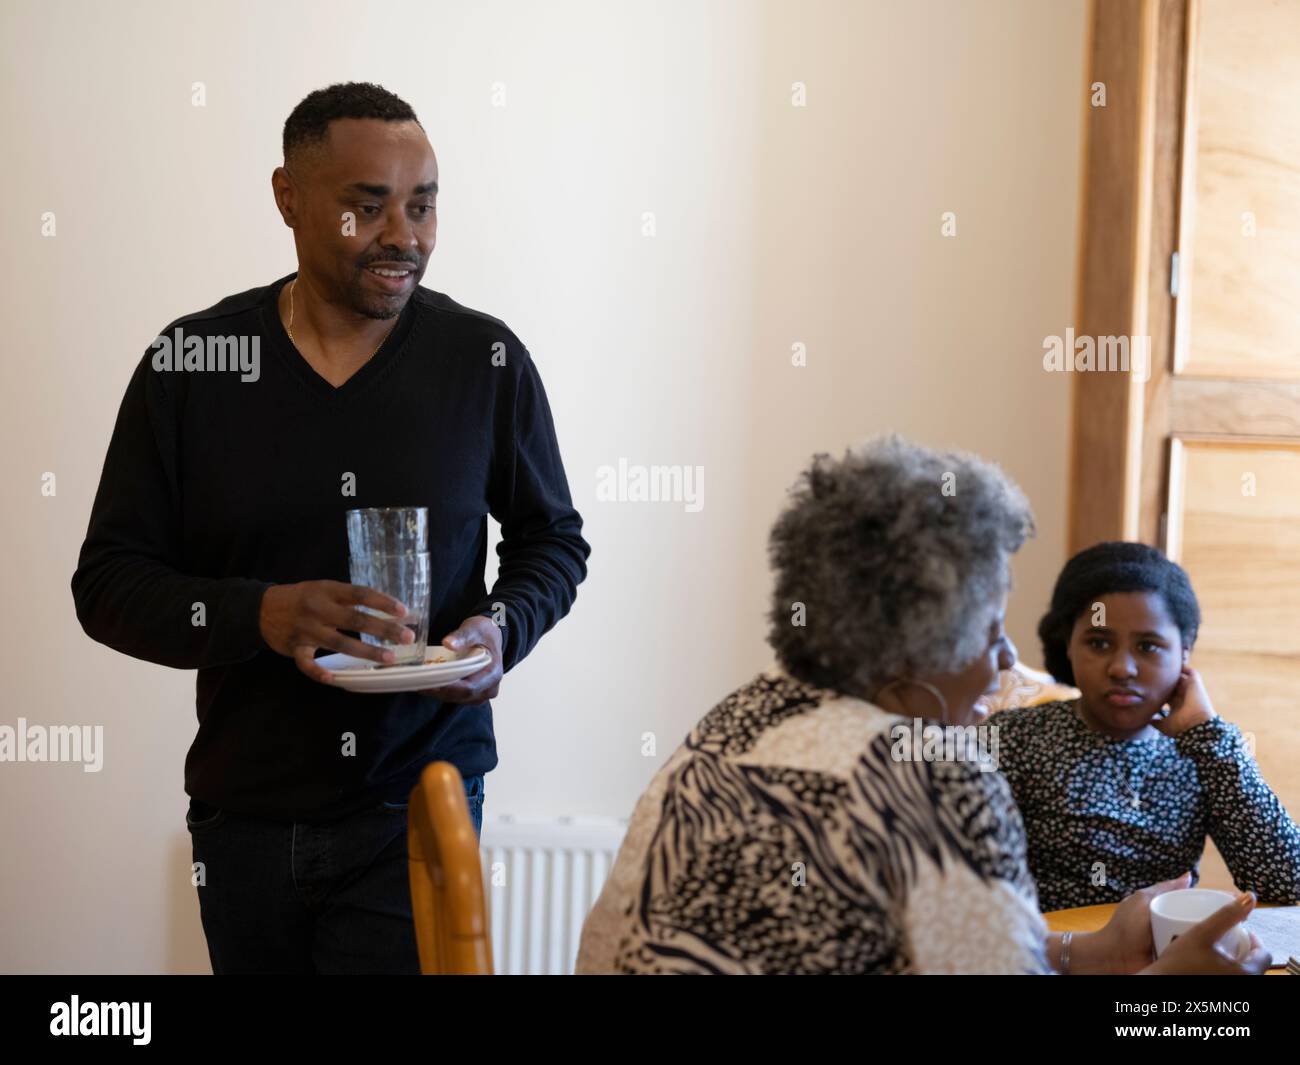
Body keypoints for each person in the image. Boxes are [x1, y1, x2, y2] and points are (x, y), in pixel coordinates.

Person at [70, 82, 590, 974]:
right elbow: (108, 585)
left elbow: (554, 542)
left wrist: (502, 630)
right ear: (288, 198)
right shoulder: (191, 363)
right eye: (368, 205)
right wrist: (261, 614)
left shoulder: (483, 360)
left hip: (420, 801)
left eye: (423, 205)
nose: (405, 235)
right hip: (242, 818)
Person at [576, 436, 1267, 974]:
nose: (1007, 661)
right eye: (990, 630)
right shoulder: (935, 780)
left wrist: (1089, 953)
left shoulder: (737, 718)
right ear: (919, 642)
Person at [993, 541, 1300, 912]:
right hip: (1055, 959)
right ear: (1068, 645)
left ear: (1184, 652)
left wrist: (1208, 735)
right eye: (1099, 642)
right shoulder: (1014, 739)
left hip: (1170, 958)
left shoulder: (1203, 751)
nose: (1122, 668)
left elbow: (1289, 883)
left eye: (1149, 647)